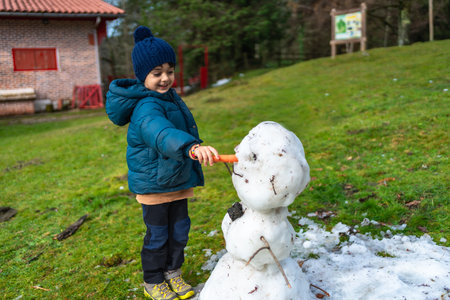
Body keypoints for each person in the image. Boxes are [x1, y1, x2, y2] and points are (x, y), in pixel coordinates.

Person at [106, 25, 219, 300]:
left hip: (176, 179)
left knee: (179, 231)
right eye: (157, 73)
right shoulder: (146, 107)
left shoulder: (170, 97)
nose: (165, 78)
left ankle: (173, 272)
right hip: (155, 184)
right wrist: (190, 147)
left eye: (169, 71)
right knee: (158, 236)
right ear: (143, 75)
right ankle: (153, 279)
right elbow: (160, 133)